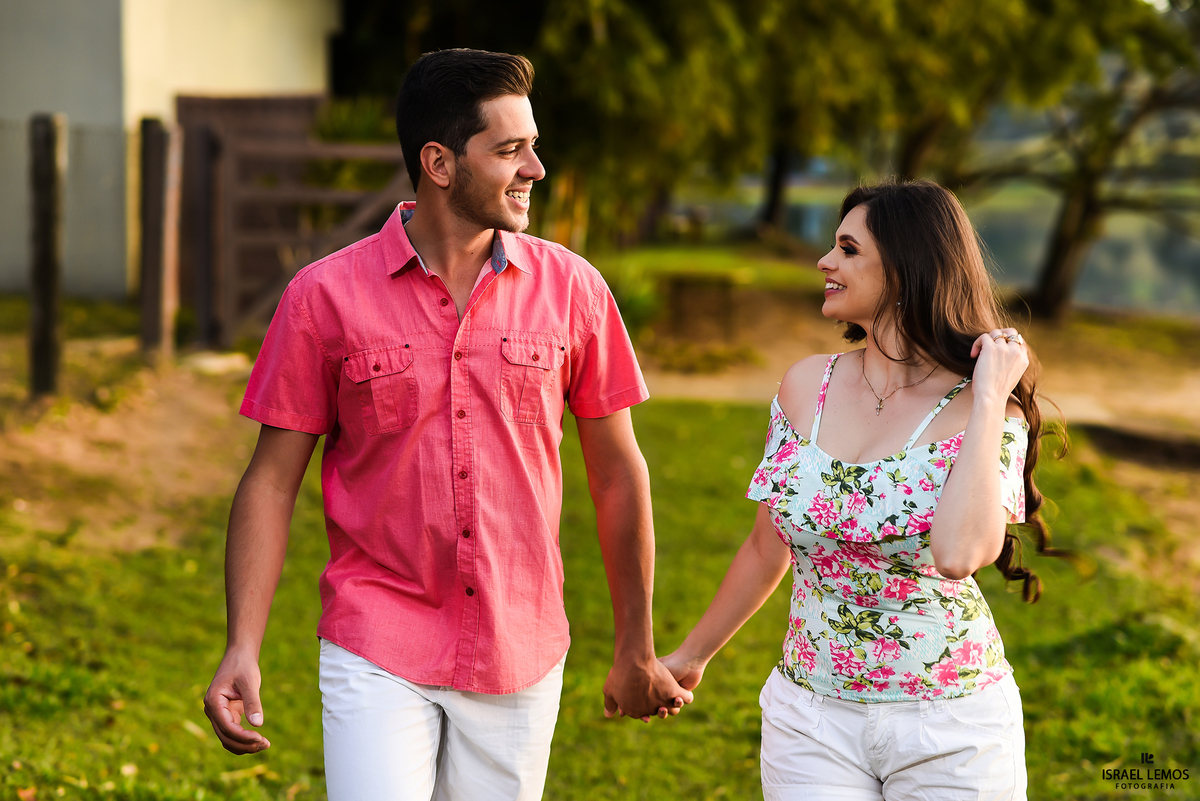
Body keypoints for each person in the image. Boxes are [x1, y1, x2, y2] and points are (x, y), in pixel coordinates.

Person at [202, 48, 691, 801]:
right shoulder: (321, 298)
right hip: (376, 639)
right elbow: (270, 480)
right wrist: (243, 643)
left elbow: (619, 472)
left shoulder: (575, 292)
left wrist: (635, 642)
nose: (536, 168)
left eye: (531, 145)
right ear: (439, 161)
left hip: (519, 647)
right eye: (509, 150)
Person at [661, 180, 1060, 800]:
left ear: (903, 272)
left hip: (950, 726)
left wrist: (985, 398)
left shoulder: (986, 414)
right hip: (810, 718)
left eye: (847, 249)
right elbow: (770, 546)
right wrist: (692, 654)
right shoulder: (805, 386)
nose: (825, 261)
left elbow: (959, 554)